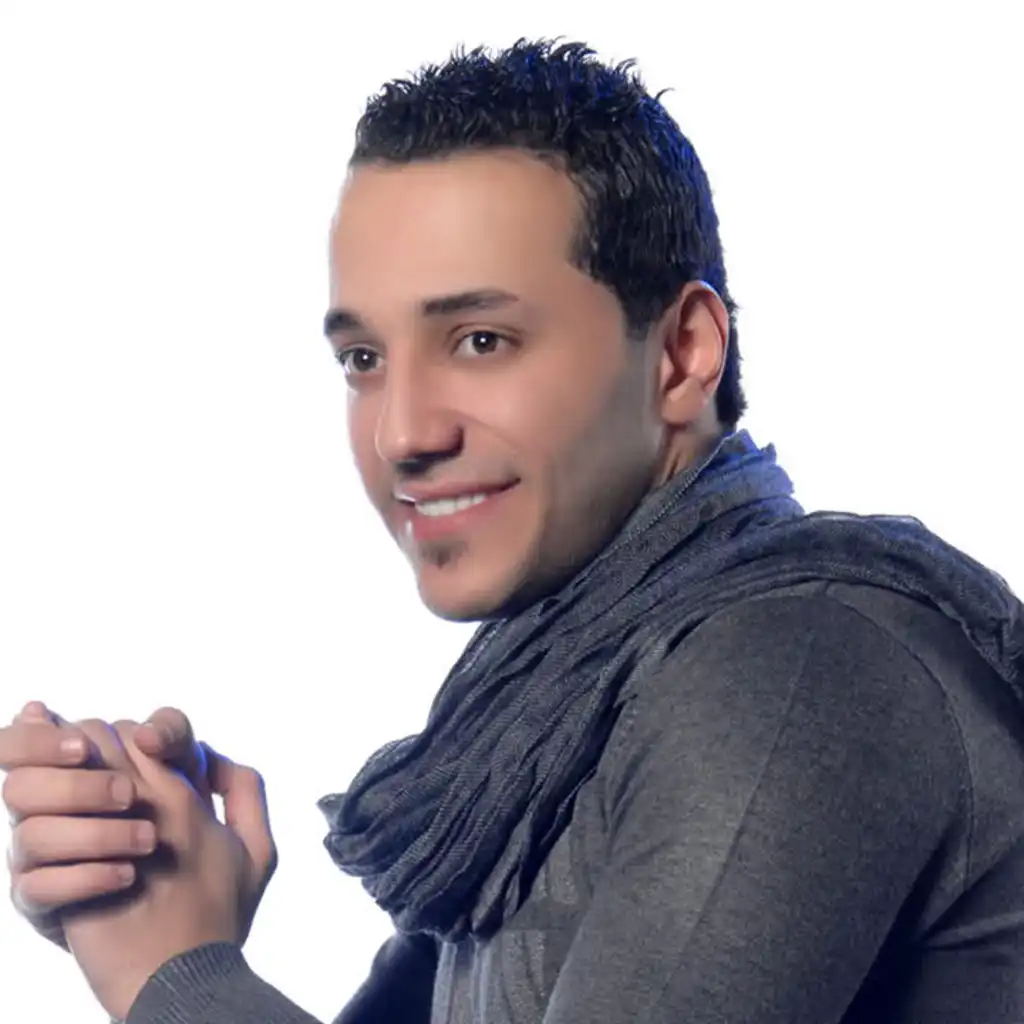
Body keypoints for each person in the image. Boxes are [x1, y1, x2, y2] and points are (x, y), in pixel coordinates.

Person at [3, 37, 1024, 1024]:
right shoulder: (552, 725)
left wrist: (174, 975)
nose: (403, 433)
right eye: (363, 360)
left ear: (681, 354)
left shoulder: (793, 666)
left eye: (481, 340)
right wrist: (149, 876)